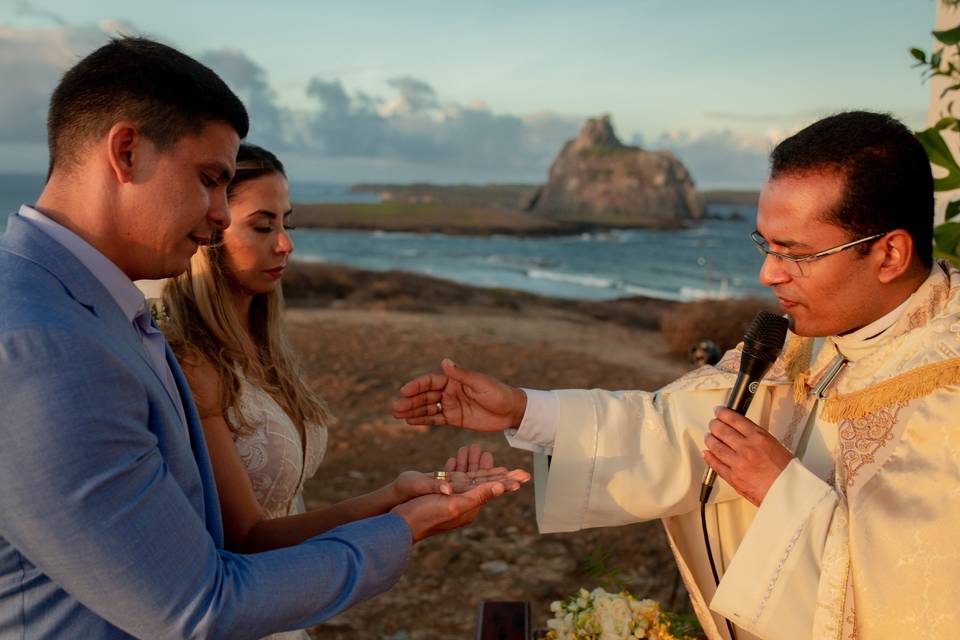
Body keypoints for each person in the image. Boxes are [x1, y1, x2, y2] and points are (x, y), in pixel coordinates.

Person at [0, 37, 516, 640]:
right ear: (127, 150)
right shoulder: (42, 346)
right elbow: (196, 607)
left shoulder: (92, 308)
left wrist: (395, 502)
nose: (219, 215)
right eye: (210, 179)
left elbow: (217, 541)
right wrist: (404, 529)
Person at [394, 111, 960, 640]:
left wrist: (781, 491)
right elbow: (673, 426)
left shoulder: (947, 388)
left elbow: (921, 593)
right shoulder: (803, 342)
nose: (768, 273)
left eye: (796, 253)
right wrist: (521, 409)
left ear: (889, 255)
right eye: (766, 244)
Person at [159, 142, 526, 639]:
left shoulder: (265, 348)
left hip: (286, 615)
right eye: (264, 226)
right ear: (209, 229)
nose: (286, 244)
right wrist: (396, 505)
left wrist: (397, 497)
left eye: (288, 223)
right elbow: (246, 538)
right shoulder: (194, 363)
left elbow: (288, 506)